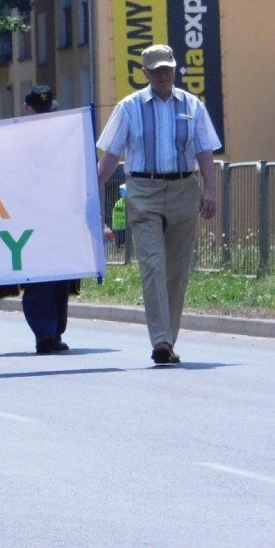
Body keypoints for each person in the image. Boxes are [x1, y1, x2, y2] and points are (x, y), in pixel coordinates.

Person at [96, 44, 221, 364]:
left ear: (175, 68)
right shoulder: (129, 107)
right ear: (145, 73)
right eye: (157, 70)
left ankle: (169, 339)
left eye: (168, 68)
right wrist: (92, 192)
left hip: (183, 189)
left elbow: (205, 150)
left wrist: (210, 189)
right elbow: (110, 154)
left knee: (177, 271)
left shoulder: (192, 105)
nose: (164, 74)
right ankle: (161, 341)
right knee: (153, 265)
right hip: (143, 189)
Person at [20, 85, 78, 354]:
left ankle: (55, 331)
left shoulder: (64, 135)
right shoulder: (13, 137)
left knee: (61, 279)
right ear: (26, 108)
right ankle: (43, 332)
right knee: (39, 278)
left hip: (60, 215)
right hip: (29, 216)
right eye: (37, 111)